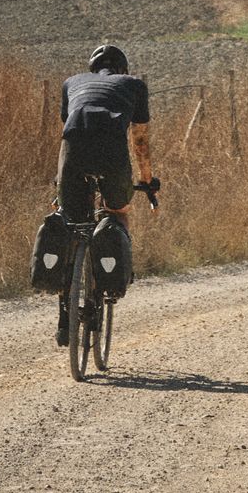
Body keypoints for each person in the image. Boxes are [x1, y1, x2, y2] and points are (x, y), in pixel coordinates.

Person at [55, 43, 157, 345]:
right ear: (123, 69)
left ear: (91, 69)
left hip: (72, 157)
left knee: (71, 223)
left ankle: (65, 315)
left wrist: (60, 179)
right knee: (118, 210)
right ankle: (117, 273)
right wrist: (147, 180)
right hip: (113, 156)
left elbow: (69, 134)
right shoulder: (134, 85)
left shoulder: (71, 83)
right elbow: (139, 141)